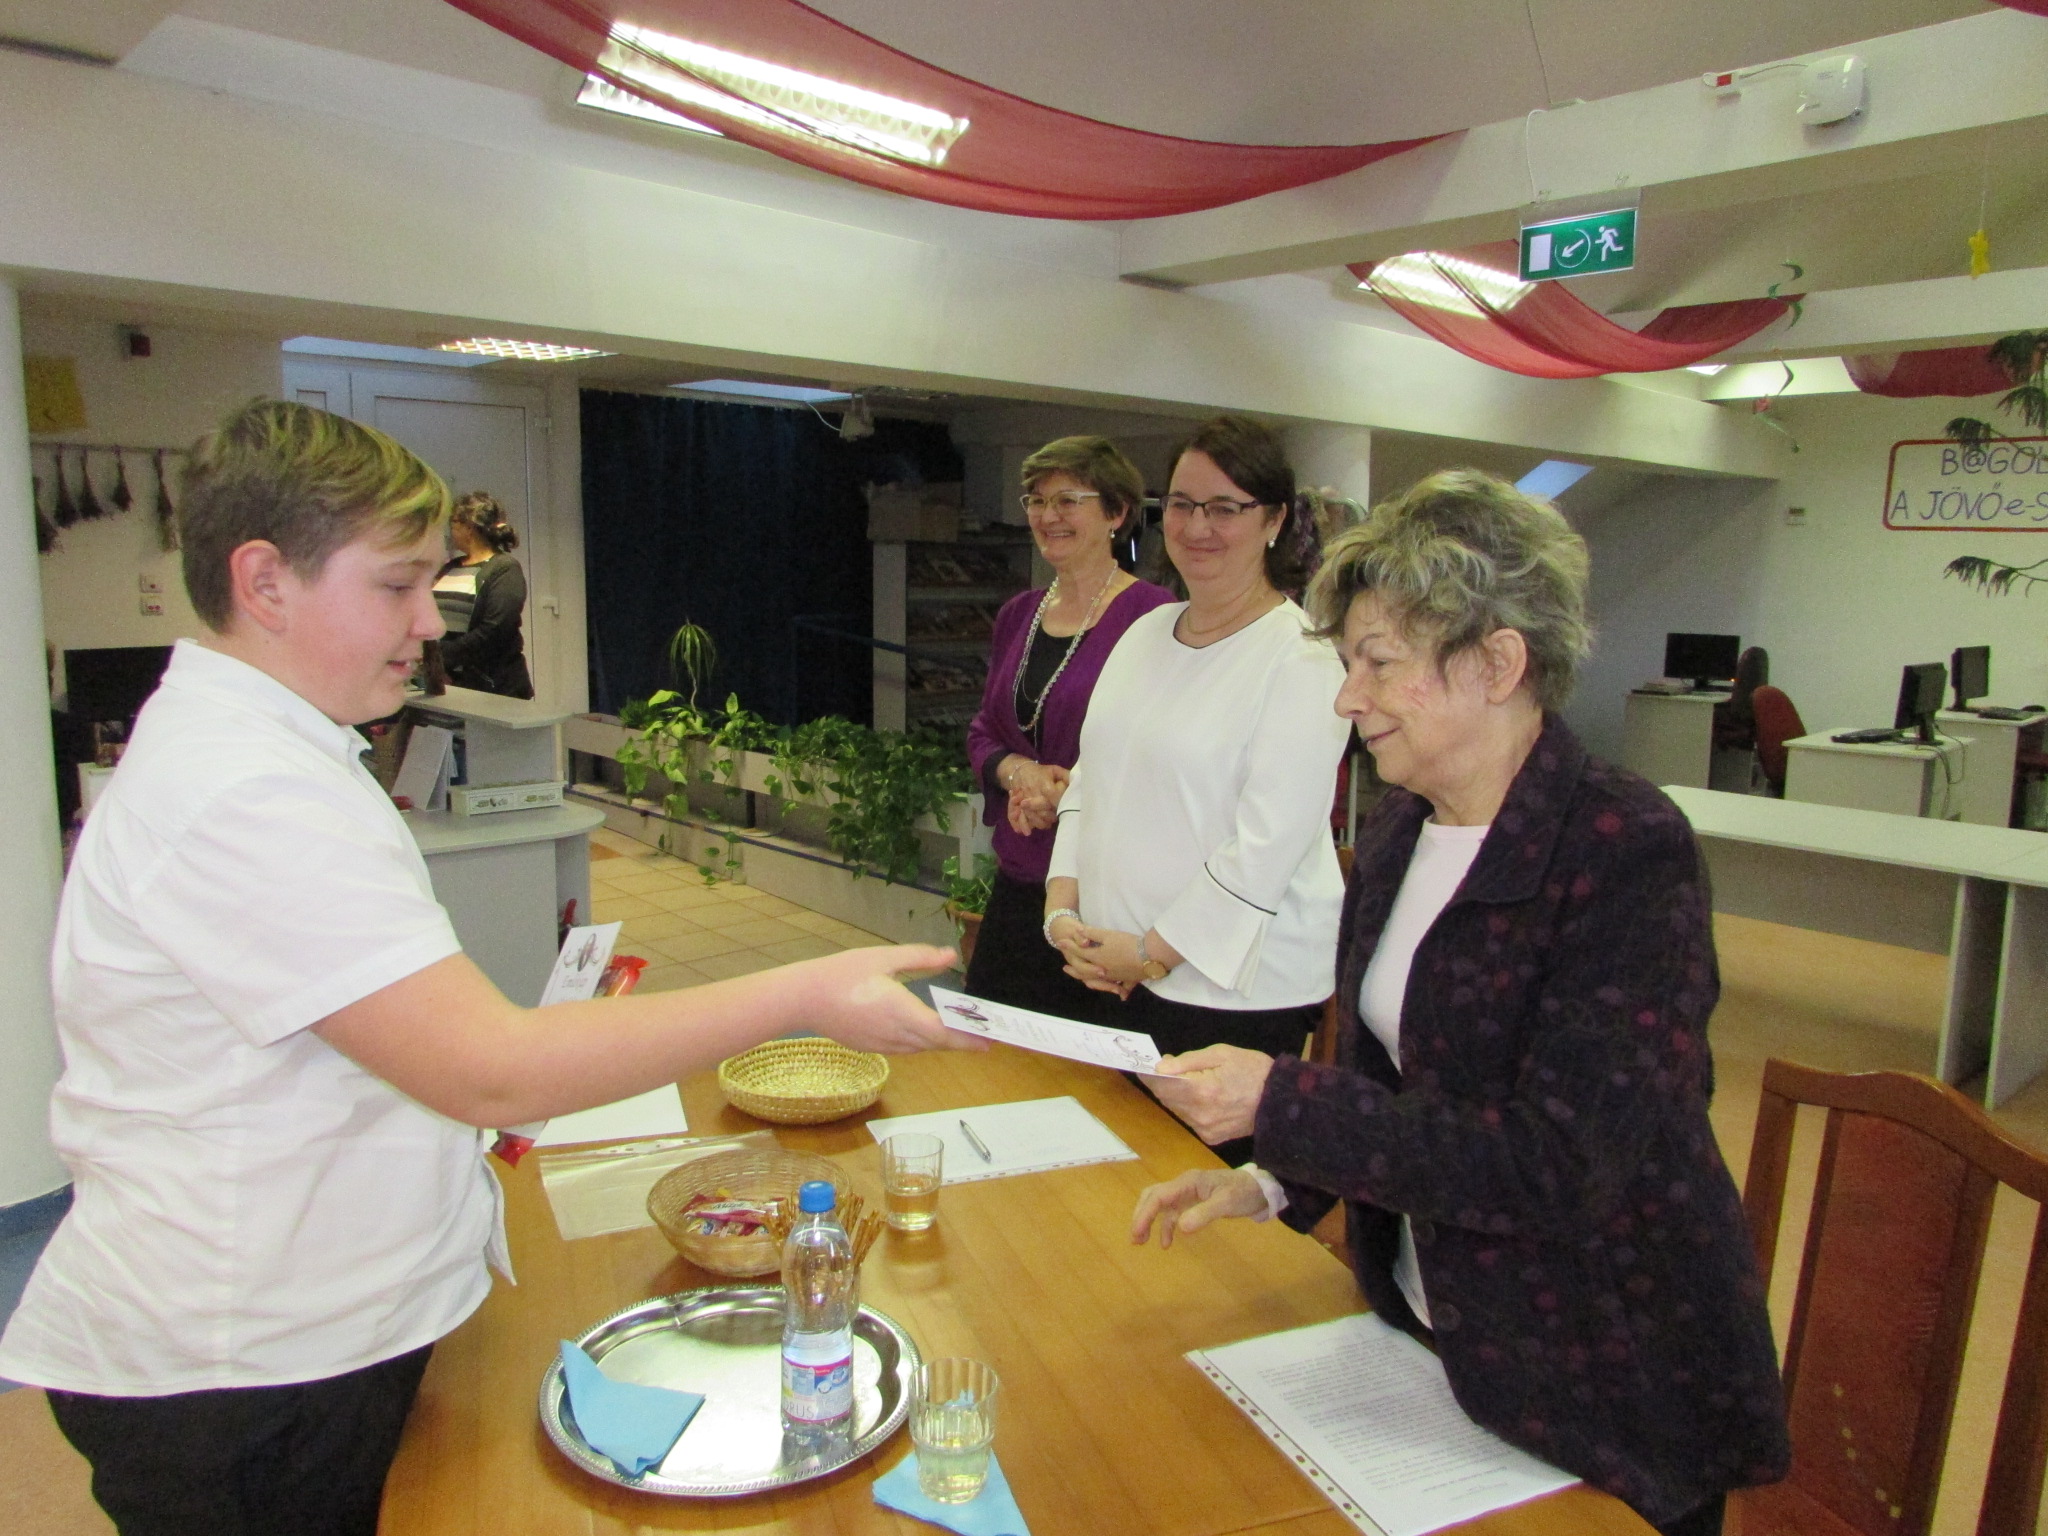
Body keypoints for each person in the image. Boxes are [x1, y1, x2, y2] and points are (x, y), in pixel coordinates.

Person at [0, 400, 977, 1536]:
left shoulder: (274, 750)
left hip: (313, 1319)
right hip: (246, 1370)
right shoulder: (243, 790)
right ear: (264, 583)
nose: (430, 620)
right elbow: (489, 1070)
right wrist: (804, 992)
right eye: (396, 585)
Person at [1130, 470, 1789, 1534]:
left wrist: (1282, 1103)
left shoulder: (1625, 849)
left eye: (1378, 663)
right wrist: (1273, 1182)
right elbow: (1395, 1081)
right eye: (1347, 664)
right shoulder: (1400, 827)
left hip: (1600, 1380)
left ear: (1497, 663)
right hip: (1431, 1348)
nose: (1347, 699)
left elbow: (1559, 1163)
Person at [1045, 416, 1350, 1165]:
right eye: (1182, 504)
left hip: (1231, 998)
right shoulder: (1146, 632)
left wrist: (1150, 955)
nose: (1197, 527)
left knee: (1201, 1202)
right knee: (1109, 1188)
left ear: (1274, 521)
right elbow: (1089, 777)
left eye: (1225, 507)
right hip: (1114, 973)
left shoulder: (1302, 662)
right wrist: (1062, 909)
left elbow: (1264, 850)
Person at [963, 437, 1174, 1020]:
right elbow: (983, 731)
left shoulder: (1155, 617)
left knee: (1090, 1059)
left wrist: (1066, 795)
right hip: (1019, 875)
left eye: (1067, 500)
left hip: (1104, 892)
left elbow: (1156, 749)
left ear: (1116, 513)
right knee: (994, 1044)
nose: (1047, 515)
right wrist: (1020, 774)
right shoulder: (1018, 614)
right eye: (1036, 500)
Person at [433, 490, 532, 697]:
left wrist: (441, 655)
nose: (451, 530)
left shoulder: (504, 568)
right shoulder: (450, 567)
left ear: (469, 528)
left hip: (493, 685)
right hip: (451, 682)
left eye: (453, 523)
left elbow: (494, 630)